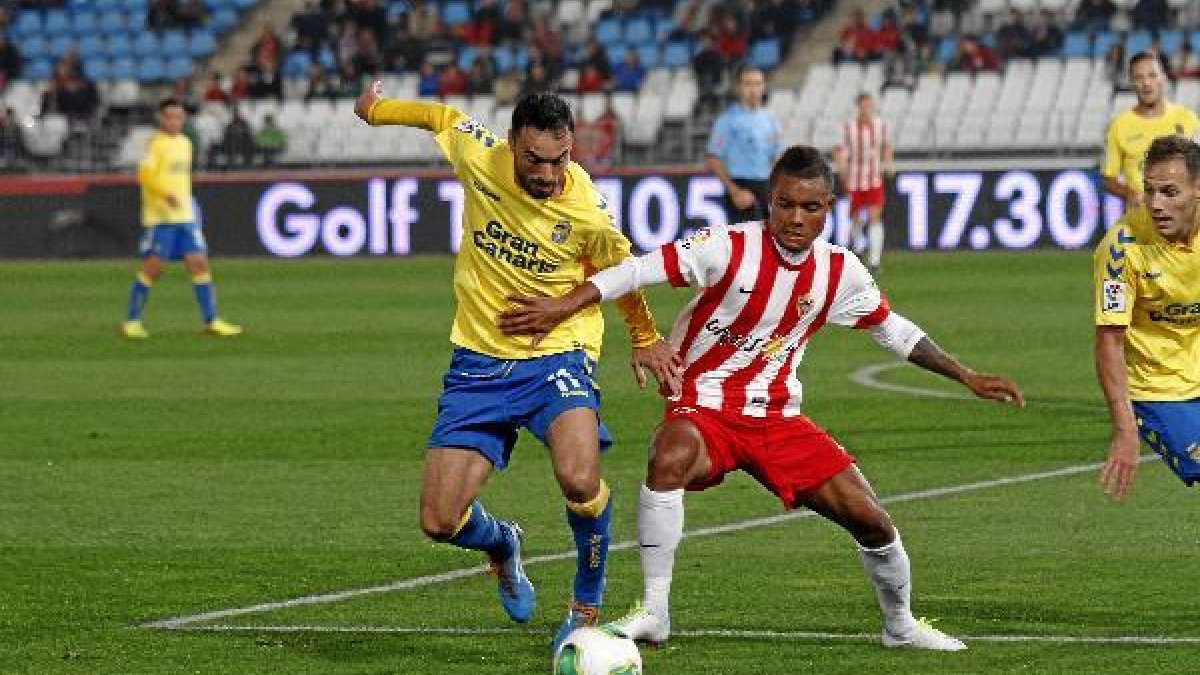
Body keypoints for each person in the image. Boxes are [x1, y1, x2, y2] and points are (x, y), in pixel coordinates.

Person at [497, 145, 1025, 652]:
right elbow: (635, 270)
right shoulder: (726, 247)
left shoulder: (840, 271)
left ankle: (901, 625)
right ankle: (655, 611)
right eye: (786, 204)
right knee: (669, 453)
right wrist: (562, 306)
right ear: (770, 201)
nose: (796, 217)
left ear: (828, 211)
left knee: (872, 521)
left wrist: (966, 375)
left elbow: (895, 332)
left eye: (810, 207)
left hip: (778, 419)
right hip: (704, 407)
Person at [353, 83, 681, 654]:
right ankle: (502, 544)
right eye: (536, 160)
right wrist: (376, 110)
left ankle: (586, 602)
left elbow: (621, 272)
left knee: (580, 476)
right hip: (477, 362)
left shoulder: (587, 208)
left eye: (561, 159)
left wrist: (646, 337)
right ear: (511, 146)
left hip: (558, 354)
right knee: (439, 519)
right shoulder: (480, 155)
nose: (550, 174)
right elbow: (440, 116)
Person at [1095, 134, 1200, 499]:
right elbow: (1109, 341)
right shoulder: (1122, 247)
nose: (1155, 203)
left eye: (1170, 192)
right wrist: (1125, 429)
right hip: (1159, 393)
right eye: (1150, 190)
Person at [121, 98, 242, 339]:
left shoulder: (186, 143)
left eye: (179, 117)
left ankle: (211, 320)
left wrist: (187, 204)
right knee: (154, 266)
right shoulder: (155, 144)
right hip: (161, 217)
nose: (175, 121)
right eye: (170, 116)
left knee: (199, 263)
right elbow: (144, 176)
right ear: (161, 118)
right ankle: (131, 321)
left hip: (184, 216)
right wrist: (165, 195)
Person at [1102, 53, 1200, 210]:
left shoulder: (1188, 119)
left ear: (1163, 77)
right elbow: (1108, 179)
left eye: (1152, 75)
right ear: (1131, 82)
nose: (1146, 83)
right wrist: (1129, 193)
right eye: (1139, 78)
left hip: (1183, 222)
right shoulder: (1118, 126)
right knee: (1115, 236)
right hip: (1140, 222)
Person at [706, 65, 779, 224]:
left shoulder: (771, 120)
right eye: (748, 84)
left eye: (758, 84)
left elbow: (774, 158)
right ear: (739, 88)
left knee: (768, 245)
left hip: (766, 187)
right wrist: (734, 191)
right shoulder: (727, 120)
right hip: (741, 186)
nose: (753, 89)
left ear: (763, 86)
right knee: (745, 245)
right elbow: (713, 158)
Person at [833, 92, 893, 273]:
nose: (866, 109)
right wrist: (842, 168)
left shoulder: (881, 126)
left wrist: (888, 164)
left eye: (869, 105)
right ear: (858, 106)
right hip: (854, 178)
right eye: (863, 105)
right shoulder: (848, 127)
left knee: (875, 216)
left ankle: (874, 261)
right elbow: (838, 149)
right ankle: (858, 250)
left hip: (874, 177)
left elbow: (887, 146)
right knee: (857, 218)